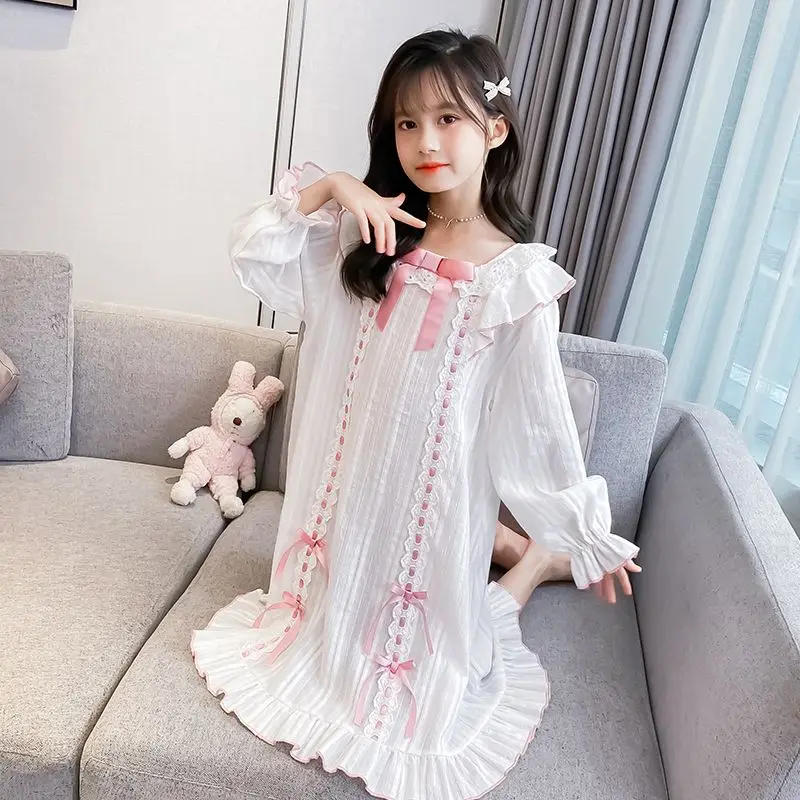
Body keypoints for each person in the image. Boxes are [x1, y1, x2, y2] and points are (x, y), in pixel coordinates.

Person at [191, 28, 641, 800]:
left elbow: (538, 422)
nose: (425, 141)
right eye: (406, 122)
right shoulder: (369, 233)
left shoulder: (515, 280)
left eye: (448, 118)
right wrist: (337, 187)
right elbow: (256, 247)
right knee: (321, 632)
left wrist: (584, 533)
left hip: (432, 515)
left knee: (450, 655)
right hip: (351, 503)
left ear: (494, 130)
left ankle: (535, 558)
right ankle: (527, 555)